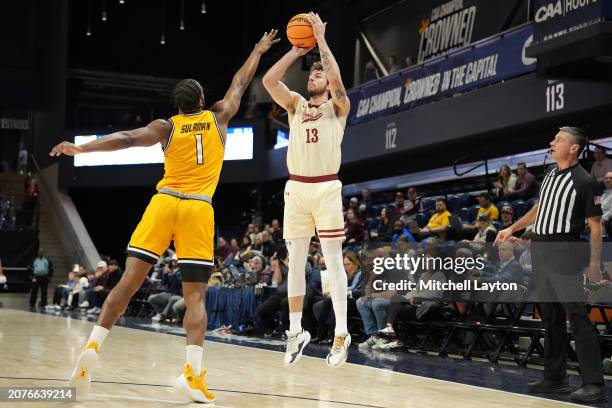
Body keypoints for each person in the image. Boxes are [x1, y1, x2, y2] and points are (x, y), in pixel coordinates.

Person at [50, 30, 279, 403]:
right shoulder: (220, 116)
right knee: (195, 298)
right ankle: (192, 373)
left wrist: (82, 147)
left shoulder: (166, 127)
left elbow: (125, 138)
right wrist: (257, 49)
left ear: (177, 105)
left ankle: (91, 349)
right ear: (203, 100)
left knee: (127, 283)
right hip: (197, 209)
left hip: (164, 203)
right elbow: (240, 81)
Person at [262, 12, 352, 368]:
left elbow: (338, 80)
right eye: (312, 73)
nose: (315, 76)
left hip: (327, 188)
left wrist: (322, 40)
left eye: (320, 73)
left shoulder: (337, 106)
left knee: (331, 261)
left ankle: (342, 333)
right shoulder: (296, 104)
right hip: (296, 189)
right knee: (295, 262)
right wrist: (297, 51)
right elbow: (269, 80)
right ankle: (296, 331)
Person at [495, 127, 606, 403]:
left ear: (574, 148)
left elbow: (595, 227)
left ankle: (593, 382)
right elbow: (537, 209)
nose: (551, 142)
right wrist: (512, 229)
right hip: (541, 250)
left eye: (558, 139)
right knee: (551, 318)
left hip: (565, 249)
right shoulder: (549, 176)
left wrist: (593, 265)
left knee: (578, 317)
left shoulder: (584, 180)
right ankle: (555, 378)